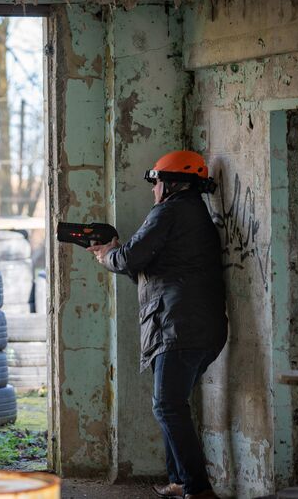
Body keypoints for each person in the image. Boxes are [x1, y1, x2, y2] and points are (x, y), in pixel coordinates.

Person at [87, 150, 227, 499]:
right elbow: (154, 268)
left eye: (157, 182)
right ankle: (180, 480)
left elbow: (132, 257)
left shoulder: (169, 211)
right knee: (173, 404)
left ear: (171, 184)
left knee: (167, 405)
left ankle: (198, 488)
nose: (153, 190)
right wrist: (120, 254)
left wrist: (108, 256)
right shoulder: (193, 214)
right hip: (200, 327)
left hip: (180, 326)